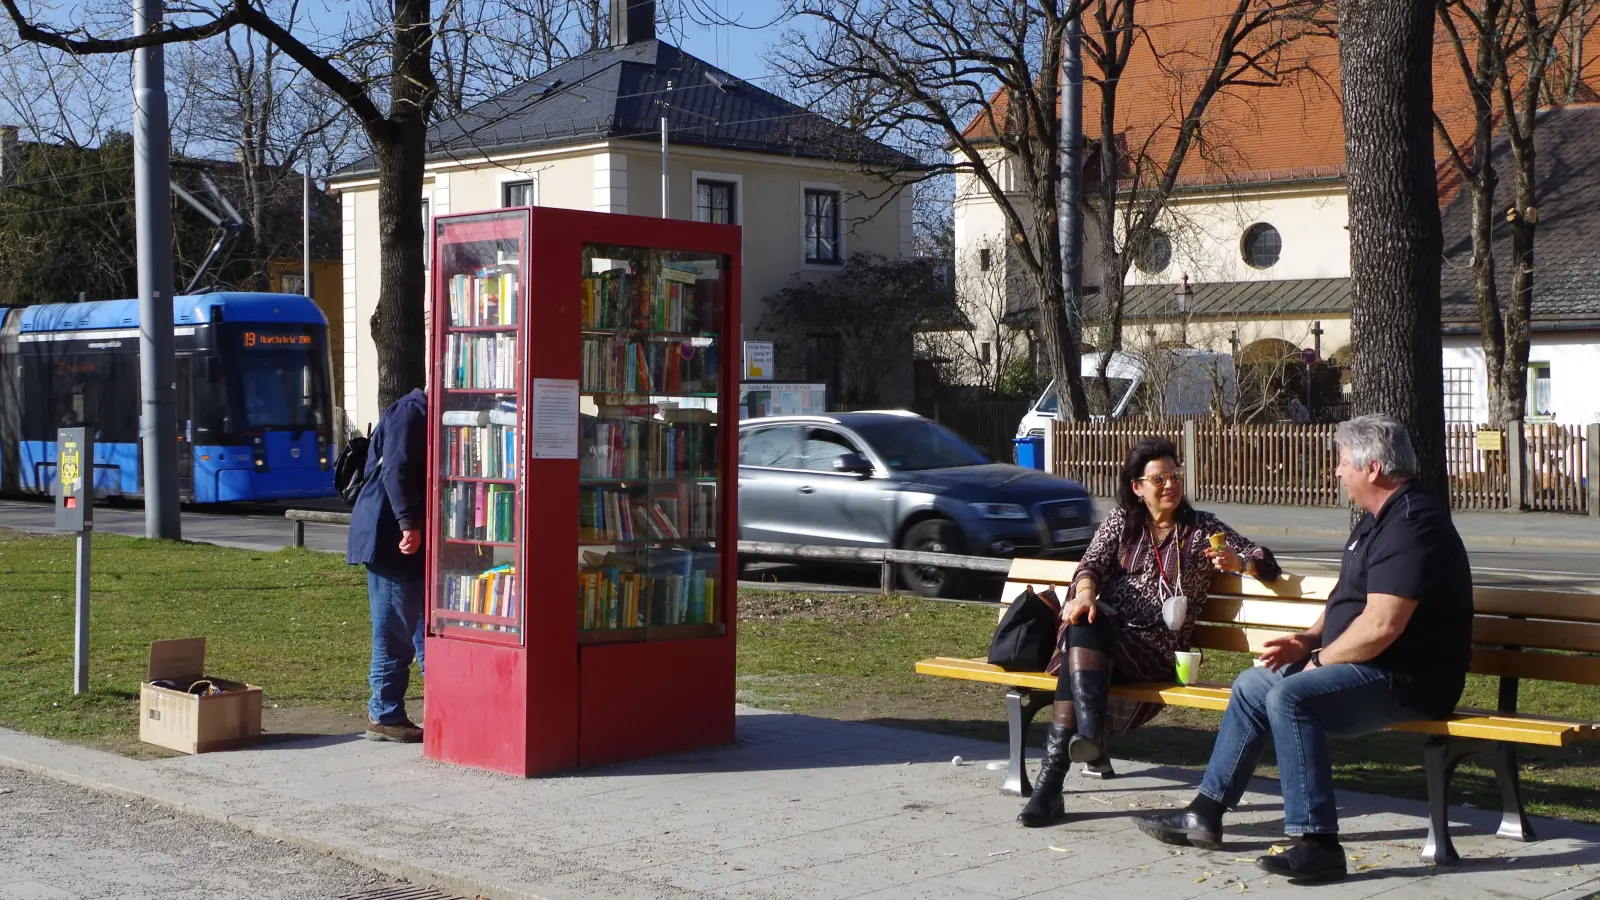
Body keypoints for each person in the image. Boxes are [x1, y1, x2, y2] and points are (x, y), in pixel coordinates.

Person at [1132, 415, 1473, 883]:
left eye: (1342, 463)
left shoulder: (1414, 525)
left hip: (1407, 678)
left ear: (1372, 469)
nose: (1337, 472)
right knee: (1254, 684)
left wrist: (1318, 661)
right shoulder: (1376, 522)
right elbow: (1344, 603)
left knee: (1291, 697)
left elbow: (1381, 626)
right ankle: (1205, 813)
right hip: (1368, 667)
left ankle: (1317, 845)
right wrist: (1307, 640)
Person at [1018, 436, 1280, 827]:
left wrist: (1238, 562)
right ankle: (1083, 741)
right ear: (1138, 488)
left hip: (1157, 648)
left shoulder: (1201, 528)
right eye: (1159, 479)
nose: (1170, 485)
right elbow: (1089, 566)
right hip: (1106, 638)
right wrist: (1086, 596)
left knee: (1081, 642)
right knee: (1086, 622)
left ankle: (1051, 786)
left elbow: (1265, 560)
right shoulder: (1122, 522)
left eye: (1174, 476)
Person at [346, 388, 429, 743]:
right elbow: (396, 468)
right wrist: (409, 522)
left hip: (407, 536)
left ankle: (444, 699)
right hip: (390, 537)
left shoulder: (426, 412)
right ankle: (384, 713)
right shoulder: (411, 412)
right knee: (394, 628)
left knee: (426, 626)